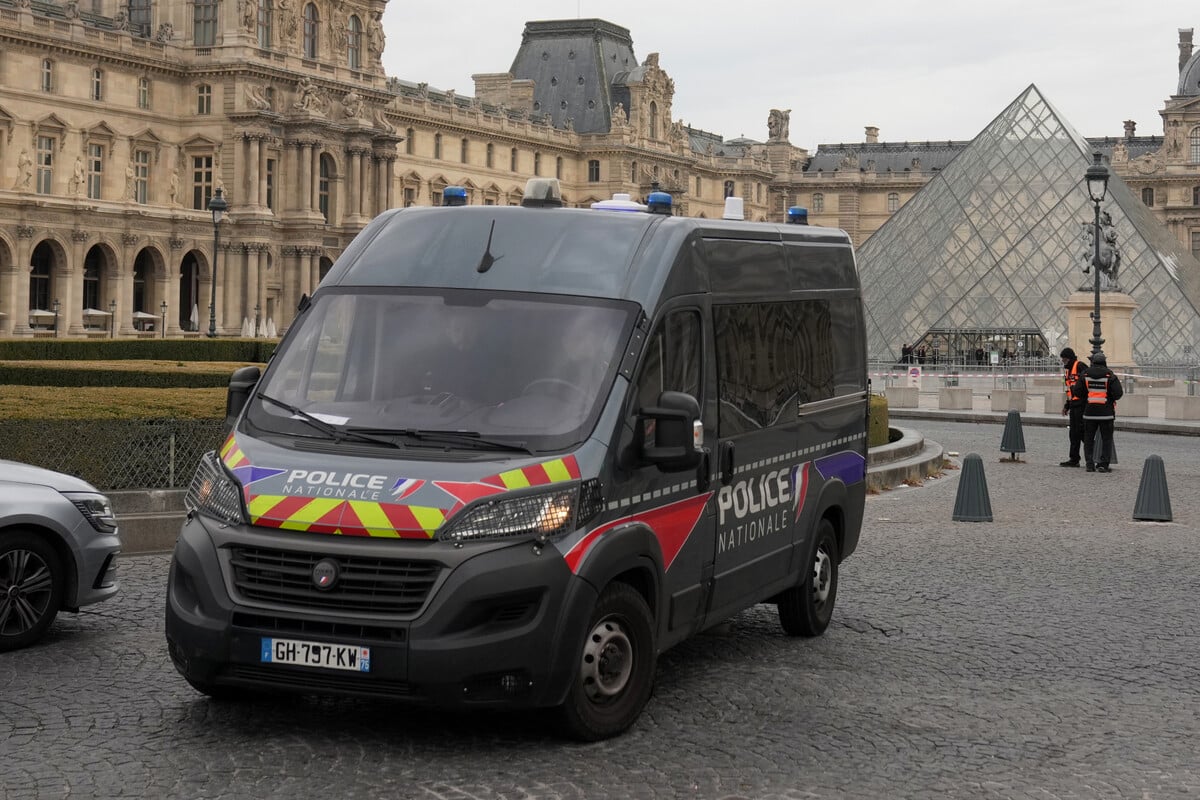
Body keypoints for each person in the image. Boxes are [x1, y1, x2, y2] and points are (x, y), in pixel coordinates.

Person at [1074, 352, 1123, 473]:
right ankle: (1103, 464)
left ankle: (1089, 464)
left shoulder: (1085, 374)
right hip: (1106, 413)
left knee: (1088, 439)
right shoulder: (1110, 375)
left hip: (1089, 412)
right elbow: (1118, 394)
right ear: (1104, 362)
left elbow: (1078, 392)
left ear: (1093, 361)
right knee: (1106, 439)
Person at [1058, 347, 1088, 467]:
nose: (1063, 361)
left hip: (1082, 405)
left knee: (1082, 433)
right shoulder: (1067, 371)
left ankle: (1093, 456)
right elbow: (1069, 390)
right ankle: (1074, 459)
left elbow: (1086, 384)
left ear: (1069, 358)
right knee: (1073, 434)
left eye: (1064, 359)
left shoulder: (1080, 366)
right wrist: (1067, 406)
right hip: (1074, 405)